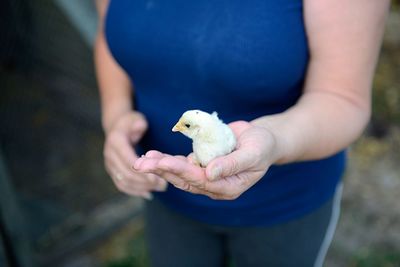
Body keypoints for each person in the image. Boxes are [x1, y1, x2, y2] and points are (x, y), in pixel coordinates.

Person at [94, 0, 390, 266]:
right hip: (165, 191)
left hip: (282, 206)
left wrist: (272, 141)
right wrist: (116, 115)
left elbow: (342, 98)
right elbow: (113, 32)